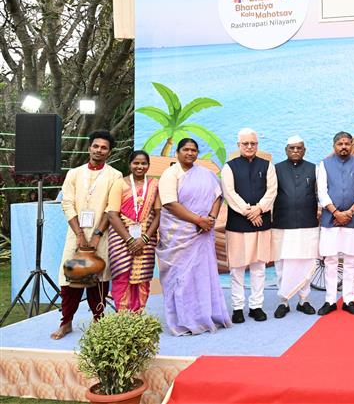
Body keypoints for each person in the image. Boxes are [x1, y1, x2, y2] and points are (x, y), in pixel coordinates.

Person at [51, 130, 123, 339]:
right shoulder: (74, 173)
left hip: (102, 235)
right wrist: (80, 235)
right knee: (70, 276)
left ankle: (99, 322)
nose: (99, 150)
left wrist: (97, 235)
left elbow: (111, 208)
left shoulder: (114, 175)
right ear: (89, 148)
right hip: (76, 234)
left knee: (99, 277)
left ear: (109, 152)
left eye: (104, 148)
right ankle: (66, 322)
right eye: (96, 146)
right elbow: (67, 203)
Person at [157, 138, 231, 336]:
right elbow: (170, 204)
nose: (190, 153)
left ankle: (206, 316)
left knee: (201, 274)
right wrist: (199, 220)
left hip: (203, 234)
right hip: (178, 236)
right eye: (186, 149)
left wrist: (211, 218)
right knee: (180, 277)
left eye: (193, 150)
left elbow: (218, 196)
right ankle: (183, 321)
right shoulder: (170, 174)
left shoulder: (206, 174)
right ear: (178, 152)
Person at [221, 128, 276, 323]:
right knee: (237, 268)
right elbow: (229, 193)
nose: (250, 146)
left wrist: (259, 209)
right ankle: (237, 308)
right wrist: (249, 212)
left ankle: (256, 306)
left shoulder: (267, 166)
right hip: (238, 224)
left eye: (253, 143)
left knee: (258, 267)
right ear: (239, 145)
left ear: (257, 145)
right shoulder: (229, 167)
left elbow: (272, 191)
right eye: (245, 143)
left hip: (261, 224)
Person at [317, 132, 354, 315]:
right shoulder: (324, 164)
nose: (344, 147)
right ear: (334, 146)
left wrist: (349, 213)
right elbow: (322, 192)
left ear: (352, 145)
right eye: (340, 144)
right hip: (330, 220)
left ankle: (348, 300)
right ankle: (330, 300)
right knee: (330, 260)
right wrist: (336, 213)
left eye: (347, 143)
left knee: (350, 261)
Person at [106, 150, 161, 312]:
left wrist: (144, 239)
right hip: (121, 237)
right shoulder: (119, 184)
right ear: (130, 164)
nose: (140, 166)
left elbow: (158, 214)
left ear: (148, 165)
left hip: (147, 237)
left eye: (144, 163)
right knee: (122, 275)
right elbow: (112, 214)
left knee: (142, 277)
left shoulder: (154, 185)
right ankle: (123, 316)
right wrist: (130, 240)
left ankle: (137, 315)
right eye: (136, 163)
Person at [271, 136, 320, 318]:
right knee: (282, 263)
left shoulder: (314, 169)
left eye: (299, 148)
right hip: (282, 224)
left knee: (306, 263)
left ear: (304, 150)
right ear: (286, 150)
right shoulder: (275, 169)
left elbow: (321, 193)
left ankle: (303, 300)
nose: (295, 151)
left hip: (308, 224)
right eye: (292, 148)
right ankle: (283, 301)